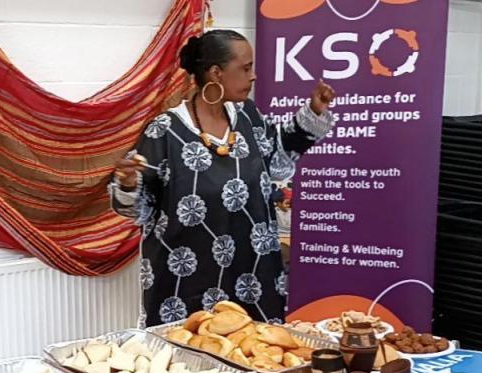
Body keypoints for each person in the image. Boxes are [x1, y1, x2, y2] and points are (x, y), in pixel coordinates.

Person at [109, 29, 335, 329]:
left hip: (253, 276)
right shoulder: (165, 131)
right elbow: (139, 209)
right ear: (216, 72)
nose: (253, 77)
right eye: (245, 68)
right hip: (185, 281)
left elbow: (278, 161)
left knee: (257, 357)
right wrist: (127, 184)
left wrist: (314, 112)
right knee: (192, 360)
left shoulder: (248, 118)